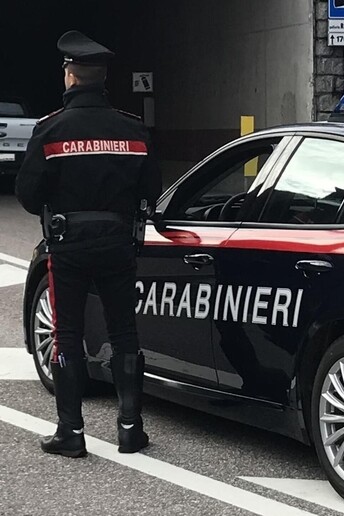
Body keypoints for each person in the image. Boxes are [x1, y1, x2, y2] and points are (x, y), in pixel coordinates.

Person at [15, 30, 162, 457]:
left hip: (69, 247)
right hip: (118, 243)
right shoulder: (133, 129)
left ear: (71, 77)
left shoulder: (50, 130)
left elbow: (27, 195)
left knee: (67, 333)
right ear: (101, 78)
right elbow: (151, 191)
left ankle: (71, 432)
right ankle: (131, 429)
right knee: (124, 333)